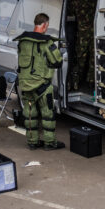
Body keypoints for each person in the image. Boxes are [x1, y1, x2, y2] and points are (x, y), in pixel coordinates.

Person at [15, 13, 65, 150]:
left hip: (25, 85)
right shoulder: (47, 43)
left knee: (30, 114)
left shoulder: (22, 41)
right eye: (47, 26)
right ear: (44, 25)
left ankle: (32, 142)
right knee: (48, 114)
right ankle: (49, 143)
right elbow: (57, 61)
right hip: (42, 85)